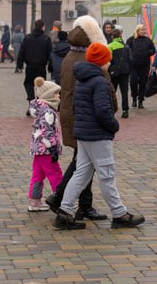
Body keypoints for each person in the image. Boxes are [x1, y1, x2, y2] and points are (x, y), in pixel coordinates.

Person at [54, 42, 144, 230]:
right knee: (106, 174)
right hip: (97, 134)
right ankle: (119, 214)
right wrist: (114, 126)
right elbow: (103, 111)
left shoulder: (82, 78)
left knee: (81, 173)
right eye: (108, 60)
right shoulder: (100, 82)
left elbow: (76, 107)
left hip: (83, 133)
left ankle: (65, 211)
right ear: (101, 61)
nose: (110, 63)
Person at [47, 15, 109, 221]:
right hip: (82, 114)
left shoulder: (70, 55)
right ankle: (63, 198)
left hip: (70, 110)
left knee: (83, 161)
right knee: (83, 162)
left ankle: (80, 203)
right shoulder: (86, 59)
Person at [27, 77, 64, 212]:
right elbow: (48, 132)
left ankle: (34, 200)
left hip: (38, 148)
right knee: (55, 173)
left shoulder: (40, 109)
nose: (58, 96)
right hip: (47, 149)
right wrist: (53, 147)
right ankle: (61, 199)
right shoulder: (48, 111)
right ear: (49, 95)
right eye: (56, 93)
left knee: (38, 174)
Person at [17, 19, 53, 107]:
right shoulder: (46, 38)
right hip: (41, 66)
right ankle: (39, 104)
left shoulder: (28, 37)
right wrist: (50, 67)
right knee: (41, 85)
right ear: (42, 27)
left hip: (30, 66)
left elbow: (21, 51)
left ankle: (32, 101)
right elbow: (50, 54)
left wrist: (20, 64)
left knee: (28, 83)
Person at [126, 25, 156, 111]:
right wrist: (131, 56)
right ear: (137, 30)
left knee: (143, 83)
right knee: (133, 82)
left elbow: (153, 50)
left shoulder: (148, 40)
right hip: (133, 65)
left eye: (144, 30)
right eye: (142, 30)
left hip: (144, 65)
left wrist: (147, 53)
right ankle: (134, 98)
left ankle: (140, 101)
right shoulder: (131, 40)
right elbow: (126, 50)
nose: (144, 31)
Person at [107, 26, 132, 118]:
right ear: (120, 36)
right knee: (124, 92)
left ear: (112, 37)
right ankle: (125, 110)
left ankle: (111, 110)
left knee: (112, 92)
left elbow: (108, 59)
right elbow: (130, 59)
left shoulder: (110, 46)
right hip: (124, 72)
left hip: (114, 73)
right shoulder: (126, 46)